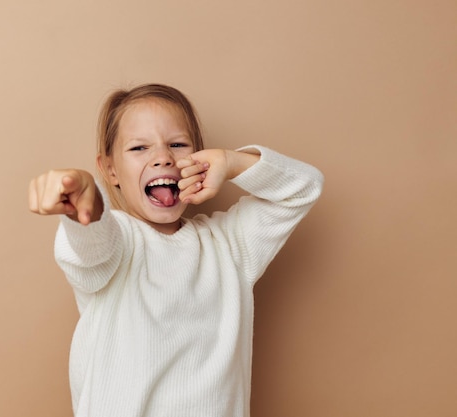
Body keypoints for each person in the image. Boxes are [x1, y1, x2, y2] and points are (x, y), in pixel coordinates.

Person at [28, 83, 324, 417]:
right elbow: (91, 246)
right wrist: (88, 199)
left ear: (200, 159)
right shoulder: (119, 239)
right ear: (111, 170)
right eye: (139, 148)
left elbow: (303, 188)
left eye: (178, 144)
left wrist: (232, 161)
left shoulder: (229, 246)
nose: (163, 158)